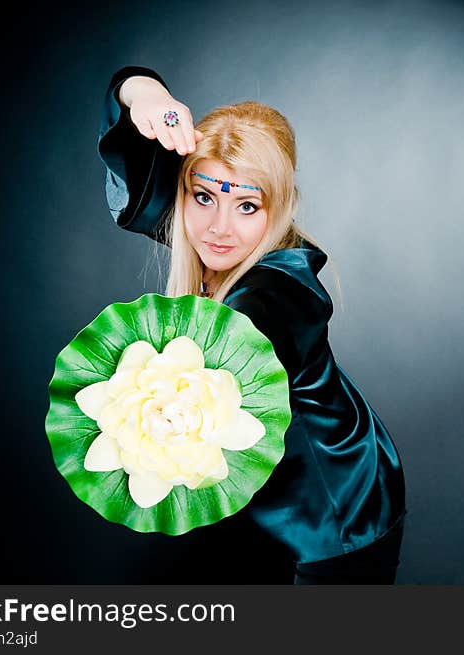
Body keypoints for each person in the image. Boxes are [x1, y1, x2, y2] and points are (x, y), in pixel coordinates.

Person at [97, 66, 407, 584]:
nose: (218, 227)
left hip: (333, 510)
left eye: (246, 205)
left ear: (277, 210)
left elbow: (248, 337)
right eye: (203, 198)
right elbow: (137, 161)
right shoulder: (219, 234)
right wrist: (143, 90)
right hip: (270, 499)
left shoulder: (278, 293)